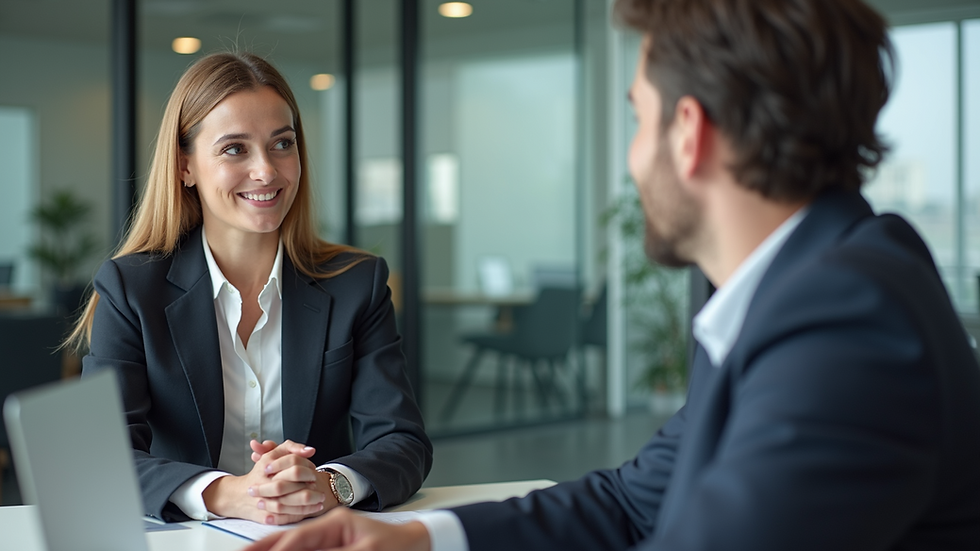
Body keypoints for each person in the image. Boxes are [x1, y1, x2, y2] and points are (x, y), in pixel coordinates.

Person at [244, 0, 980, 549]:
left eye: (638, 119)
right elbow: (633, 501)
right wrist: (417, 538)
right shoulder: (798, 292)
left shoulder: (846, 320)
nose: (632, 158)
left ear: (688, 134)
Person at [70, 52, 432, 525]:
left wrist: (327, 484)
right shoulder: (131, 290)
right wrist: (228, 494)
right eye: (235, 149)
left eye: (282, 144)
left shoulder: (355, 284)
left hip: (314, 536)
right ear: (185, 166)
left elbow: (402, 442)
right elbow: (100, 459)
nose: (266, 171)